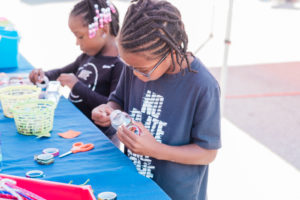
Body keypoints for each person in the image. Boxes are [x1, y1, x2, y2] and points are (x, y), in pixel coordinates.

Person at [91, 0, 221, 199]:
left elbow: (207, 152)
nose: (135, 74)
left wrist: (156, 150)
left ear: (171, 50)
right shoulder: (135, 66)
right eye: (130, 66)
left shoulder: (203, 86)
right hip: (134, 184)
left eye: (143, 70)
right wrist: (108, 109)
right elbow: (117, 99)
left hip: (173, 194)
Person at [29, 0, 124, 139]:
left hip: (100, 140)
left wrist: (76, 86)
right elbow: (61, 73)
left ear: (103, 30)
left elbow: (111, 106)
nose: (77, 43)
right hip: (76, 130)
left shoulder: (119, 65)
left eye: (80, 36)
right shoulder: (86, 57)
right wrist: (42, 76)